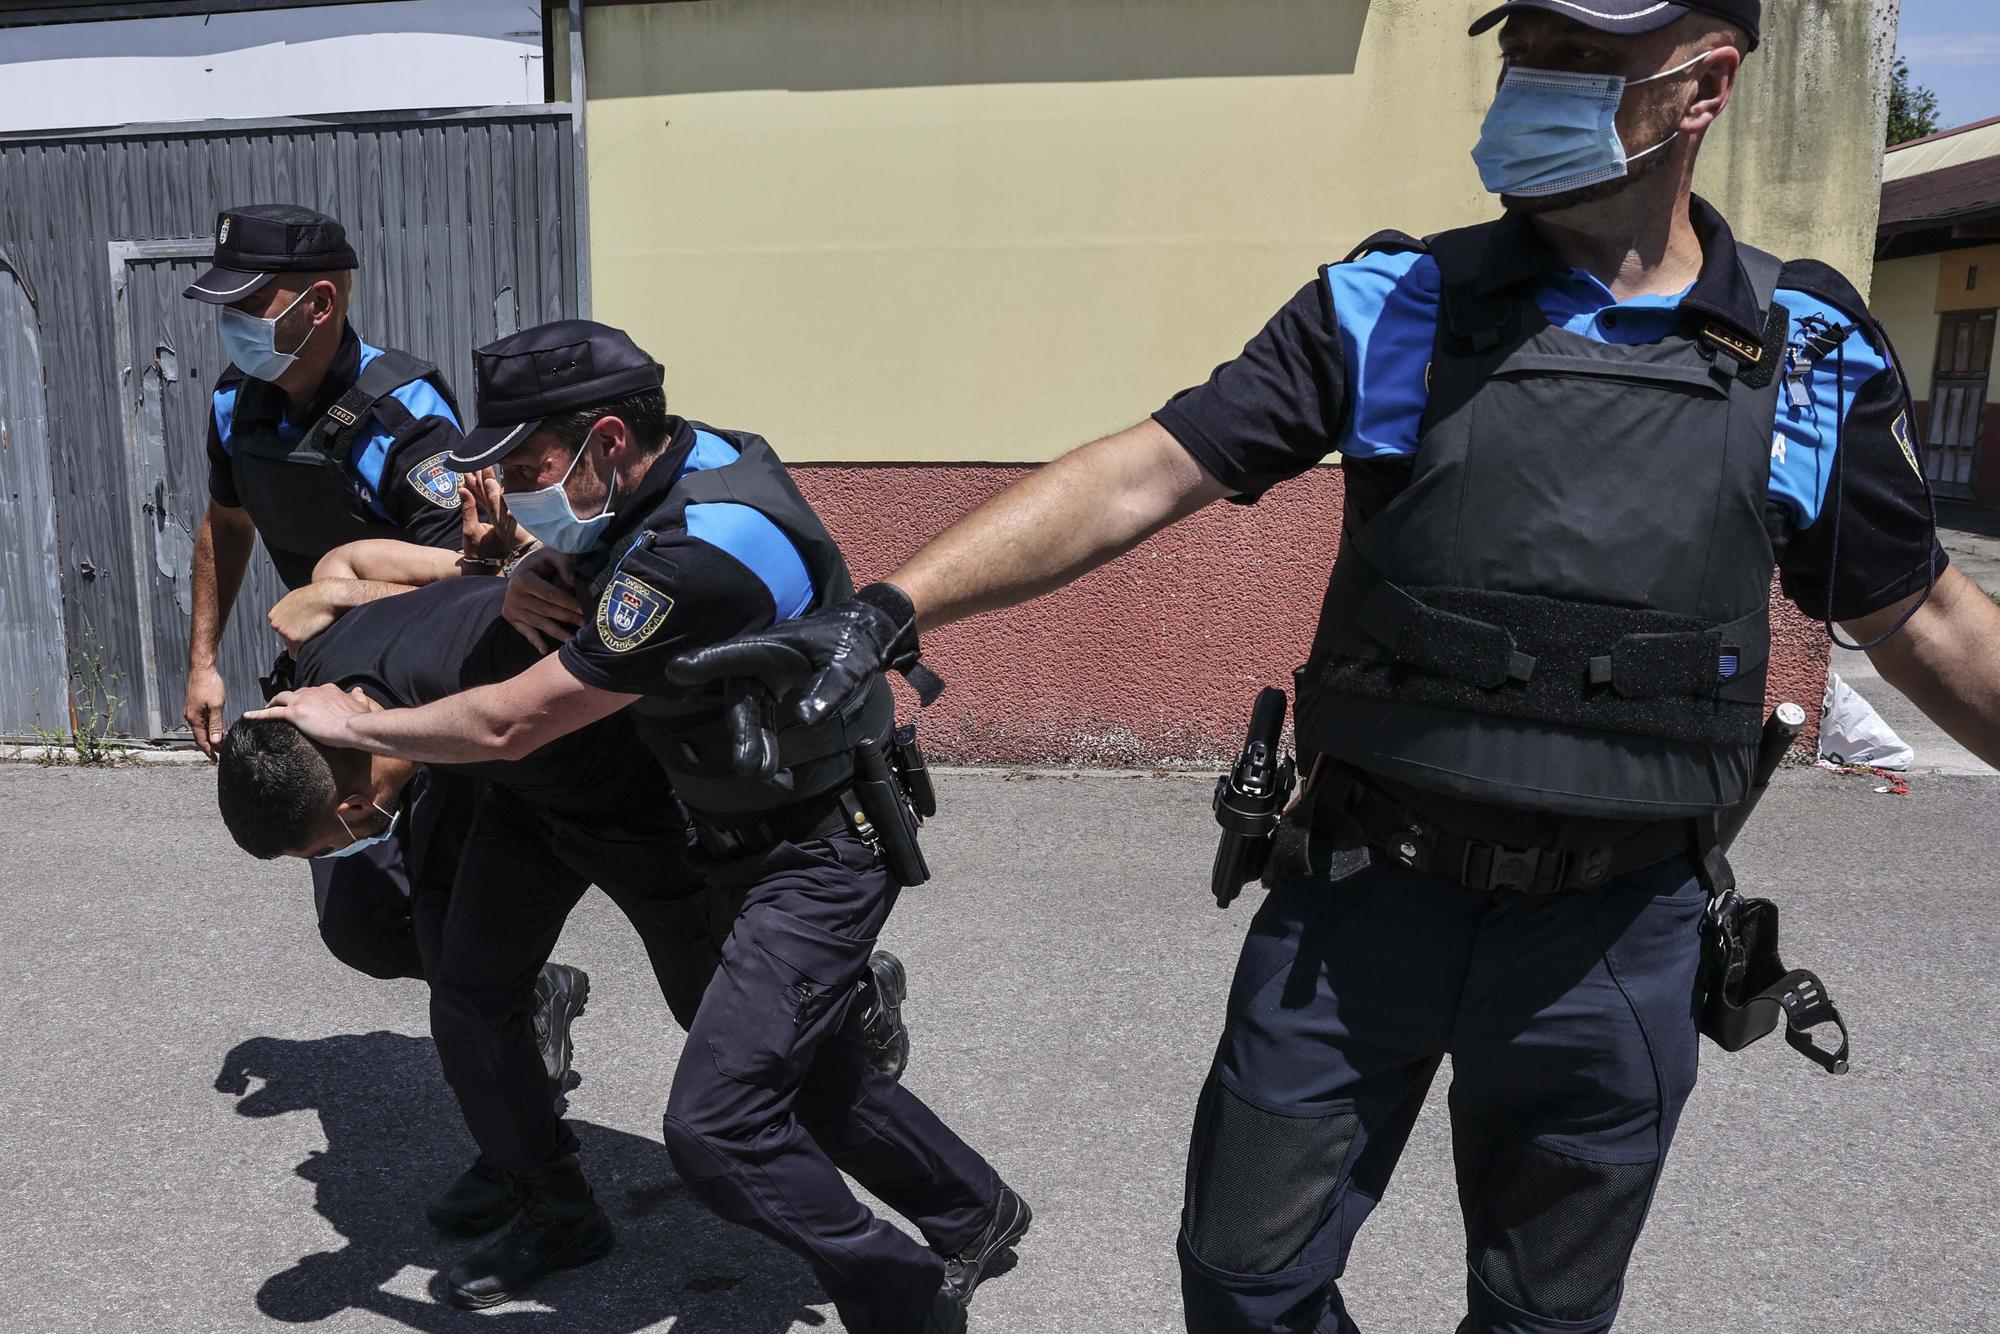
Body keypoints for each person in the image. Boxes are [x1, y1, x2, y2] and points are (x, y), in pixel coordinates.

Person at [663, 3, 2000, 1332]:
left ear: (1700, 87)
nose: (1532, 82)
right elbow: (1152, 467)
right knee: (1244, 1281)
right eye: (1522, 50)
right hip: (1365, 898)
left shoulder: (1806, 349)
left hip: (1615, 934)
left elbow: (1921, 617)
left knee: (1544, 1316)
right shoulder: (1395, 303)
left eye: (1582, 61)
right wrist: (897, 602)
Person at [250, 320, 1029, 1333]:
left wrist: (353, 719)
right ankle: (955, 1209)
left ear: (605, 440)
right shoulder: (659, 471)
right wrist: (510, 563)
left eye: (529, 468)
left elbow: (508, 718)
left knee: (729, 1103)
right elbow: (578, 556)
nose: (522, 489)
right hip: (645, 809)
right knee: (543, 1004)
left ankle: (927, 1263)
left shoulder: (699, 547)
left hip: (769, 832)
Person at [219, 570, 914, 1307]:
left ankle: (940, 1197)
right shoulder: (318, 691)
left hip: (635, 802)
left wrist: (511, 569)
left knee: (725, 1025)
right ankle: (557, 1210)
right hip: (518, 802)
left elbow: (607, 630)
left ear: (355, 803)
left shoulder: (478, 674)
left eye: (330, 845)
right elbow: (345, 565)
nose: (338, 858)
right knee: (468, 997)